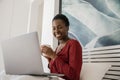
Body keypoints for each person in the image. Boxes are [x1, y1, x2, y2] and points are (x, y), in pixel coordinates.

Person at [40, 14, 82, 80]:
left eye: (59, 27)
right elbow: (56, 70)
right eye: (54, 28)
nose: (56, 31)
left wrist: (53, 55)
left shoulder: (73, 44)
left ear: (67, 27)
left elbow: (74, 76)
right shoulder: (58, 48)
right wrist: (49, 58)